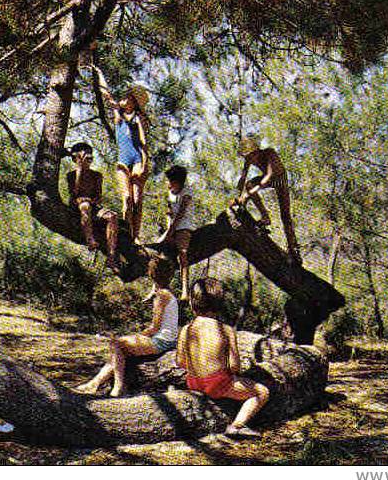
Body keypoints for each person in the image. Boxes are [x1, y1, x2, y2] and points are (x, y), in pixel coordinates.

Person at [176, 278, 270, 439]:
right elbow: (234, 366)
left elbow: (180, 362)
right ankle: (237, 426)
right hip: (217, 384)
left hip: (192, 382)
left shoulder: (186, 329)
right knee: (262, 392)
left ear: (192, 304)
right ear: (220, 305)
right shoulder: (226, 329)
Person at [74, 262, 178, 397]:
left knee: (116, 343)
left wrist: (138, 335)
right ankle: (94, 383)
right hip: (168, 339)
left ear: (151, 274)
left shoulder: (162, 295)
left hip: (161, 341)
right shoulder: (168, 293)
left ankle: (118, 387)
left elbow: (154, 327)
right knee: (118, 351)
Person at [90, 65, 150, 244]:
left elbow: (144, 144)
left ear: (133, 102)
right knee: (126, 198)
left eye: (127, 98)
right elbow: (106, 94)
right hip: (123, 160)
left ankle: (136, 236)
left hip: (137, 159)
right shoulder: (118, 117)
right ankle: (127, 231)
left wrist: (145, 165)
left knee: (137, 200)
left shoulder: (138, 119)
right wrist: (99, 72)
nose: (122, 100)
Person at [230, 135, 301, 263]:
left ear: (255, 151)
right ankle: (265, 217)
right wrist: (236, 195)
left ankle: (293, 248)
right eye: (246, 157)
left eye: (249, 156)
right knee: (249, 185)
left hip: (280, 179)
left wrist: (250, 193)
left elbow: (269, 175)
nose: (248, 159)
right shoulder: (248, 160)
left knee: (285, 216)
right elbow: (243, 178)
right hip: (266, 179)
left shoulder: (270, 153)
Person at [65, 142, 119, 268]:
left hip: (92, 205)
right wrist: (79, 169)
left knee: (113, 216)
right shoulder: (71, 175)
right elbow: (74, 193)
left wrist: (92, 200)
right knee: (85, 206)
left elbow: (98, 197)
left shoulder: (97, 175)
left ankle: (111, 255)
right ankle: (90, 240)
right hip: (78, 206)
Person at [156, 165, 196, 302]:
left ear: (177, 181)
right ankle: (156, 289)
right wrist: (168, 230)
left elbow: (181, 213)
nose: (167, 183)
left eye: (169, 180)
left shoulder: (187, 191)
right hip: (172, 227)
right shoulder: (170, 193)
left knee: (182, 254)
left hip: (184, 226)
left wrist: (171, 231)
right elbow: (169, 212)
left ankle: (185, 290)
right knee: (159, 256)